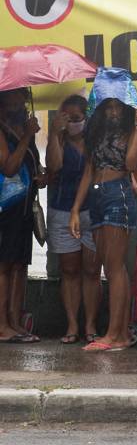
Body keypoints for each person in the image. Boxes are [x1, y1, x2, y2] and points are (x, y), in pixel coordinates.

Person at [70, 97, 137, 352]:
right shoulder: (96, 131)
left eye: (117, 107)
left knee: (114, 267)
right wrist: (74, 209)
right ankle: (119, 332)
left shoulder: (131, 128)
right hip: (96, 195)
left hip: (118, 193)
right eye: (108, 107)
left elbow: (132, 164)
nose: (113, 112)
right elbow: (88, 171)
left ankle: (115, 335)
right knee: (110, 266)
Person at [45, 95, 102, 344]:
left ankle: (90, 325)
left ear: (86, 118)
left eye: (77, 119)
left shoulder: (95, 141)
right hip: (62, 209)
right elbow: (54, 166)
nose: (73, 124)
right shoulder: (60, 139)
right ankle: (71, 325)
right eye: (68, 119)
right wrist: (54, 135)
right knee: (69, 270)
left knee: (91, 269)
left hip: (93, 210)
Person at [0, 89, 44, 344]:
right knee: (4, 266)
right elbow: (9, 167)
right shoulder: (3, 131)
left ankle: (14, 321)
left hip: (24, 208)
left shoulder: (17, 127)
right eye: (16, 97)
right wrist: (28, 135)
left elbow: (28, 165)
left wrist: (41, 175)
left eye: (24, 96)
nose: (22, 102)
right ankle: (3, 324)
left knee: (18, 266)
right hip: (7, 208)